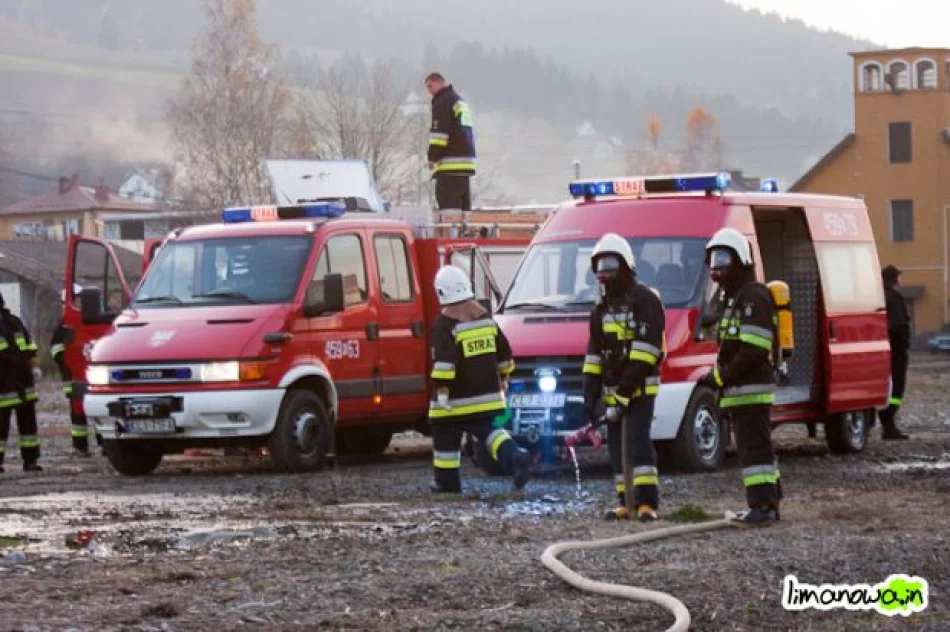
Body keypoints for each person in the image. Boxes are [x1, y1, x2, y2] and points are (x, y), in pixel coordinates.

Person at [581, 234, 666, 522]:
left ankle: (646, 503)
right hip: (612, 390)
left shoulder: (644, 300)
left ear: (626, 266)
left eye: (610, 266)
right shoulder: (600, 309)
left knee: (638, 440)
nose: (604, 273)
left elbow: (646, 352)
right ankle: (625, 501)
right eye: (600, 267)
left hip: (639, 388)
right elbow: (595, 353)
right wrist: (590, 394)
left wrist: (624, 392)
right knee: (616, 445)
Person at [699, 228, 779, 526]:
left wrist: (723, 376)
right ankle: (771, 501)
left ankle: (763, 507)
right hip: (741, 388)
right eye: (713, 260)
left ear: (741, 260)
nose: (717, 267)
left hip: (751, 387)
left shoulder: (752, 296)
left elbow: (755, 348)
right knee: (757, 447)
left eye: (723, 259)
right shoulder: (733, 297)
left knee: (754, 450)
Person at [428, 265, 531, 493]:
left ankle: (447, 484)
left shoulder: (444, 325)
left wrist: (442, 392)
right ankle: (515, 457)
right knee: (488, 431)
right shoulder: (487, 320)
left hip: (455, 401)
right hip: (488, 398)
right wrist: (503, 378)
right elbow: (505, 354)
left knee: (444, 433)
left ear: (441, 293)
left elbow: (444, 364)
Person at [0, 292, 42, 472]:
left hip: (24, 383)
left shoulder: (14, 322)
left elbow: (29, 345)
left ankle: (31, 461)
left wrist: (34, 365)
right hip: (3, 385)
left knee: (29, 426)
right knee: (0, 427)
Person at [425, 72, 476, 212]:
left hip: (450, 165)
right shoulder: (458, 101)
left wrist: (432, 157)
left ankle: (452, 233)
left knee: (449, 209)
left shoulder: (442, 102)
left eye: (430, 86)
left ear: (440, 83)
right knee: (464, 211)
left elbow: (439, 134)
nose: (429, 91)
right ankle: (464, 232)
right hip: (465, 164)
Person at [50, 312, 92, 457]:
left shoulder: (91, 318)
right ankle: (80, 446)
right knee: (77, 411)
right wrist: (66, 361)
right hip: (73, 376)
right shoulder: (65, 324)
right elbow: (55, 348)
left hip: (91, 372)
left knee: (100, 411)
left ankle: (105, 445)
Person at [878, 264, 910, 440]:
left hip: (882, 350)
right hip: (897, 351)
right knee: (897, 389)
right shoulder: (894, 298)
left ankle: (886, 419)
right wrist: (903, 345)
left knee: (886, 386)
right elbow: (898, 326)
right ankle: (888, 421)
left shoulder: (877, 296)